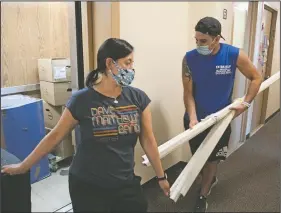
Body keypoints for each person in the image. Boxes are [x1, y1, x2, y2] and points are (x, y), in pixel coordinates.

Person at [2, 38, 170, 212]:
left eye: (132, 63)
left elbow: (149, 140)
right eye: (127, 63)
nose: (131, 69)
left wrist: (161, 176)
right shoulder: (82, 100)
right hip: (88, 187)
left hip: (125, 184)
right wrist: (24, 166)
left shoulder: (138, 98)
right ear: (110, 64)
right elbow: (55, 136)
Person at [182, 17, 262, 212]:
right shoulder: (189, 58)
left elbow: (256, 78)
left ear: (217, 39)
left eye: (203, 41)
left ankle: (203, 195)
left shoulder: (234, 55)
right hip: (195, 121)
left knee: (211, 161)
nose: (199, 45)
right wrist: (192, 117)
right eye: (196, 40)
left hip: (221, 120)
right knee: (199, 159)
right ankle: (208, 180)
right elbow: (188, 93)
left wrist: (246, 103)